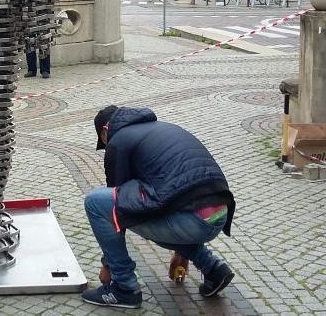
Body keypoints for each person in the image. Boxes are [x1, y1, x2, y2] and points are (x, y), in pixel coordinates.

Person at [82, 105, 236, 309]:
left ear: (104, 132)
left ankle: (124, 288)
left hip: (192, 219)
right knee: (147, 212)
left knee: (95, 202)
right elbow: (178, 187)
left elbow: (117, 210)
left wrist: (108, 265)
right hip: (219, 214)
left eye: (104, 142)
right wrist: (181, 252)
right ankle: (213, 269)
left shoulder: (118, 142)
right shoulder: (160, 129)